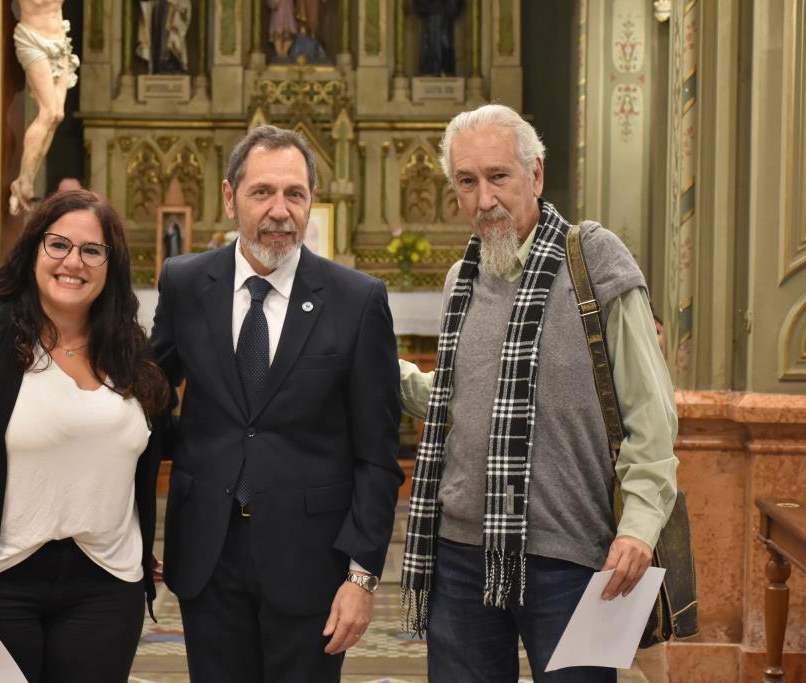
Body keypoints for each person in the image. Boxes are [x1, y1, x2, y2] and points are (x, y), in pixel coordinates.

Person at [398, 104, 679, 682]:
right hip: (459, 555)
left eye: (498, 177)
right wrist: (377, 368)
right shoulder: (462, 279)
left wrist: (640, 527)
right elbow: (460, 398)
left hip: (572, 556)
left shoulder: (593, 258)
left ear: (536, 175)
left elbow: (651, 411)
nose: (484, 200)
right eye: (466, 182)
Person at [150, 125, 404, 683]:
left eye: (295, 193)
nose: (279, 210)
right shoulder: (186, 283)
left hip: (312, 562)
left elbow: (377, 454)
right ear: (228, 196)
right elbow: (145, 407)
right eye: (262, 192)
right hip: (207, 556)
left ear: (312, 199)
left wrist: (362, 579)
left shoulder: (357, 301)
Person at [0, 190, 169, 682]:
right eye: (59, 245)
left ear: (112, 264)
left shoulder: (132, 352)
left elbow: (138, 459)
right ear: (33, 252)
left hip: (107, 584)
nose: (74, 262)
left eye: (92, 250)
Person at [9, 0, 81, 216]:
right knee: (47, 112)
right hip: (34, 39)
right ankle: (24, 181)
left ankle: (25, 181)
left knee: (57, 115)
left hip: (59, 40)